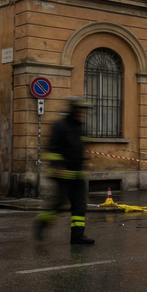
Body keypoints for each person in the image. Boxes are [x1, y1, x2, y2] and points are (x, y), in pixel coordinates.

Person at [35, 96, 94, 244]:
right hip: (62, 175)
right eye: (80, 110)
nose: (82, 113)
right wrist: (57, 166)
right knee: (59, 203)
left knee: (80, 206)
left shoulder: (80, 127)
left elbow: (81, 147)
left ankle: (77, 236)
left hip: (77, 175)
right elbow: (53, 149)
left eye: (83, 110)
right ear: (73, 109)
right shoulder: (60, 126)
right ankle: (41, 224)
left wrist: (86, 161)